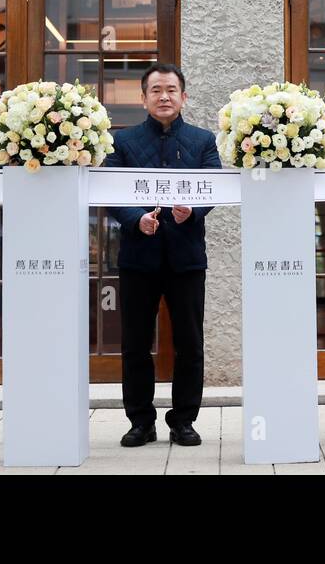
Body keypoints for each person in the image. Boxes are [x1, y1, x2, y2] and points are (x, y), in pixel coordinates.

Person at [105, 63, 221, 447]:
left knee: (189, 342)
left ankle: (184, 420)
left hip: (186, 258)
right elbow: (110, 192)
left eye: (171, 90)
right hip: (139, 258)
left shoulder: (203, 140)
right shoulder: (123, 142)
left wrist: (194, 211)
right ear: (143, 98)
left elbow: (213, 188)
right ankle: (140, 421)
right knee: (135, 343)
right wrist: (136, 220)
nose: (164, 97)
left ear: (184, 97)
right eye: (156, 90)